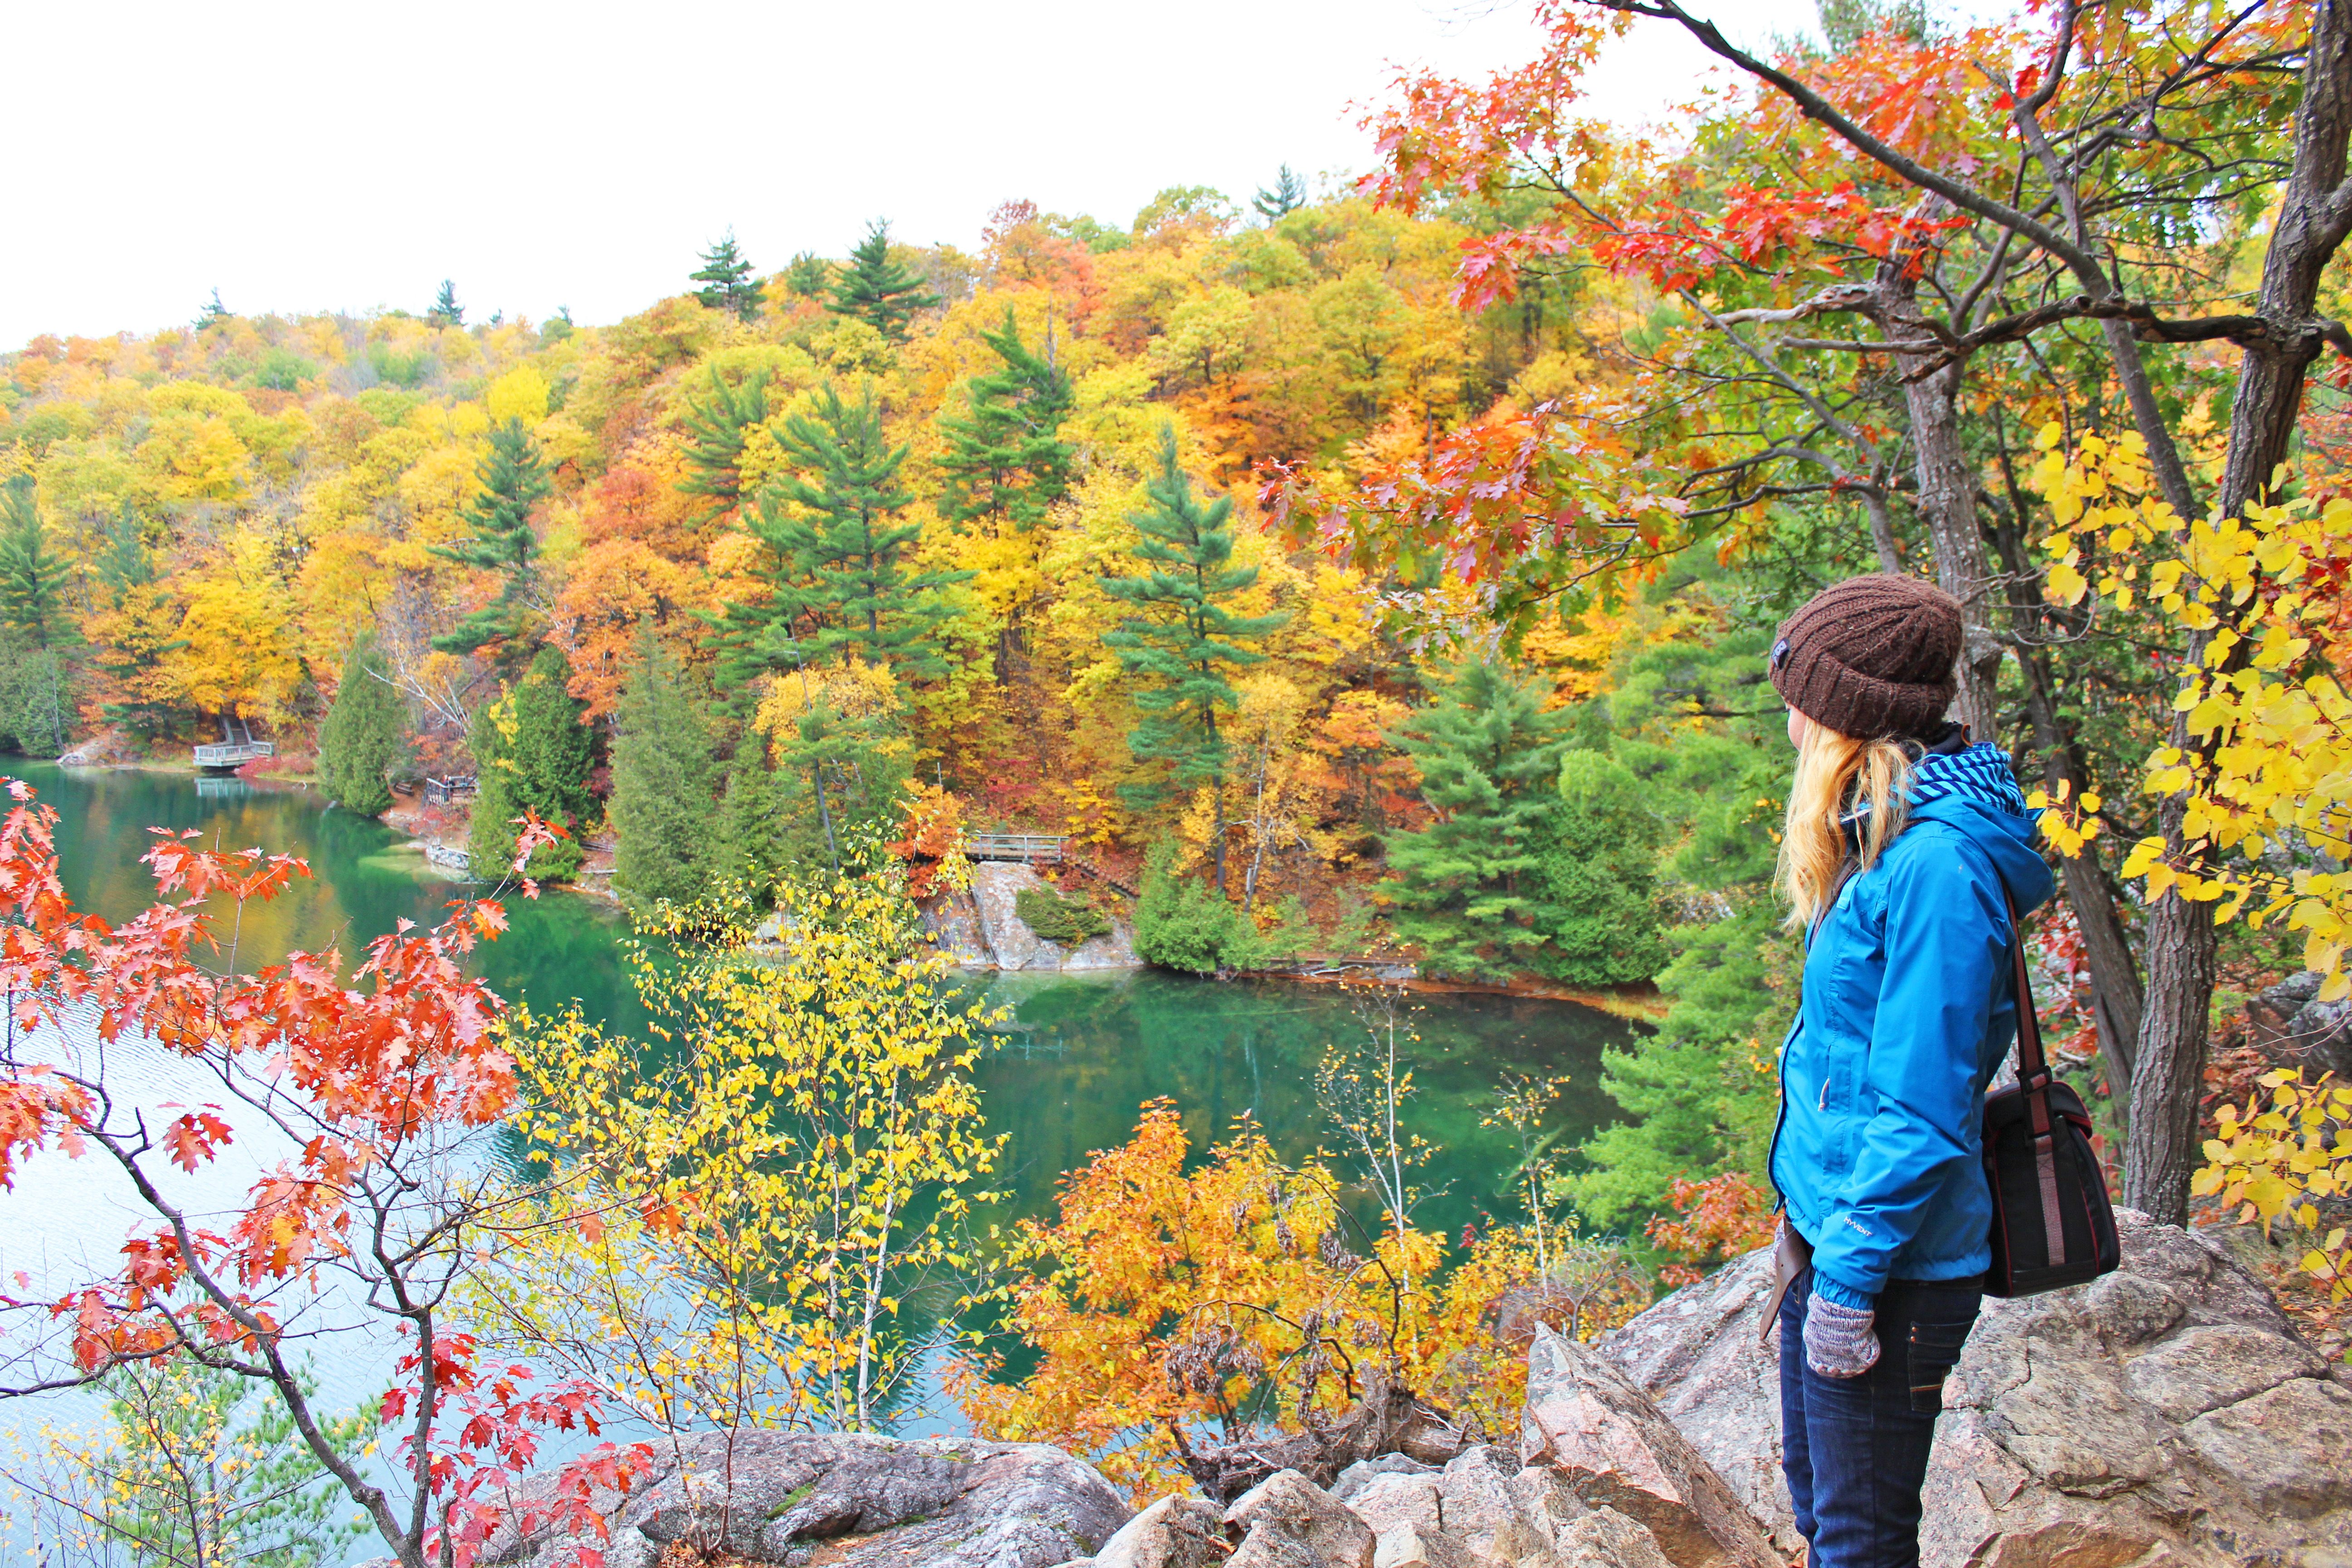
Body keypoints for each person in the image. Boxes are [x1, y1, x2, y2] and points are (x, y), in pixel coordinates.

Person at [1764, 573, 2054, 1568]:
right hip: (1840, 1233)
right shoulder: (1876, 838)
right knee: (1824, 1513)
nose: (1791, 719)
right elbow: (1844, 1061)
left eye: (1802, 696)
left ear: (1853, 715)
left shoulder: (1934, 868)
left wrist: (1847, 1280)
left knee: (1862, 1542)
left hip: (1894, 1266)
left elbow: (1922, 1106)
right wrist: (1801, 1211)